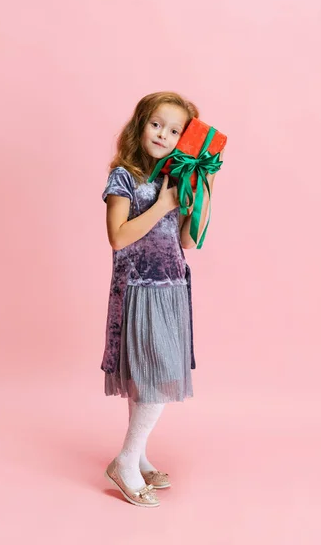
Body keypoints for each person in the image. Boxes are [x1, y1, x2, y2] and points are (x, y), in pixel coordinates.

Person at [101, 91, 222, 507]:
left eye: (174, 130)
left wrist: (201, 191)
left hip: (172, 288)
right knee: (153, 379)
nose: (163, 134)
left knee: (150, 378)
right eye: (157, 124)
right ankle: (126, 461)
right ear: (140, 124)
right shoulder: (124, 177)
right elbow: (118, 237)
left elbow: (189, 240)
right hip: (139, 288)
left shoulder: (176, 178)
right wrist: (163, 204)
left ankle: (138, 455)